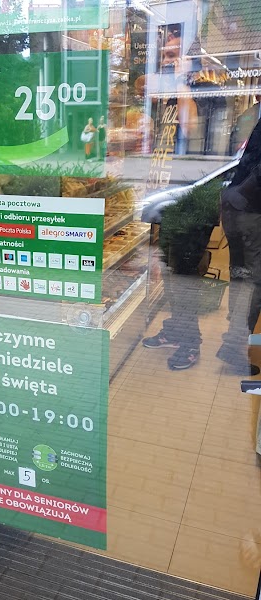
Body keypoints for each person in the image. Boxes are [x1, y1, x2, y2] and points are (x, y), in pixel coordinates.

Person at [142, 35, 204, 371]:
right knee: (171, 273)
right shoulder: (170, 92)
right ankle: (176, 330)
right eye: (165, 53)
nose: (168, 58)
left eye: (174, 53)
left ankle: (191, 342)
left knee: (184, 278)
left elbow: (190, 129)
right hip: (167, 198)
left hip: (190, 202)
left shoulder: (202, 91)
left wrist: (180, 81)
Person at [218, 117, 261, 376]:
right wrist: (243, 193)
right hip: (250, 211)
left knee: (241, 275)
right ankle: (234, 345)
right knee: (253, 280)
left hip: (238, 207)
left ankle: (234, 338)